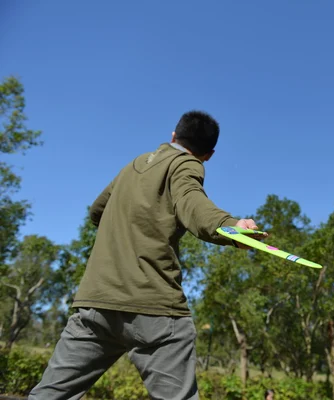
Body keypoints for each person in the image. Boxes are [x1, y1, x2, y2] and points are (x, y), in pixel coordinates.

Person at [29, 110, 265, 400]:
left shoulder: (133, 165)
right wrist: (229, 227)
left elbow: (96, 211)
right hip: (154, 310)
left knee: (49, 396)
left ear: (173, 136)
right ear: (209, 155)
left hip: (96, 304)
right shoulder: (187, 165)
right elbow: (191, 201)